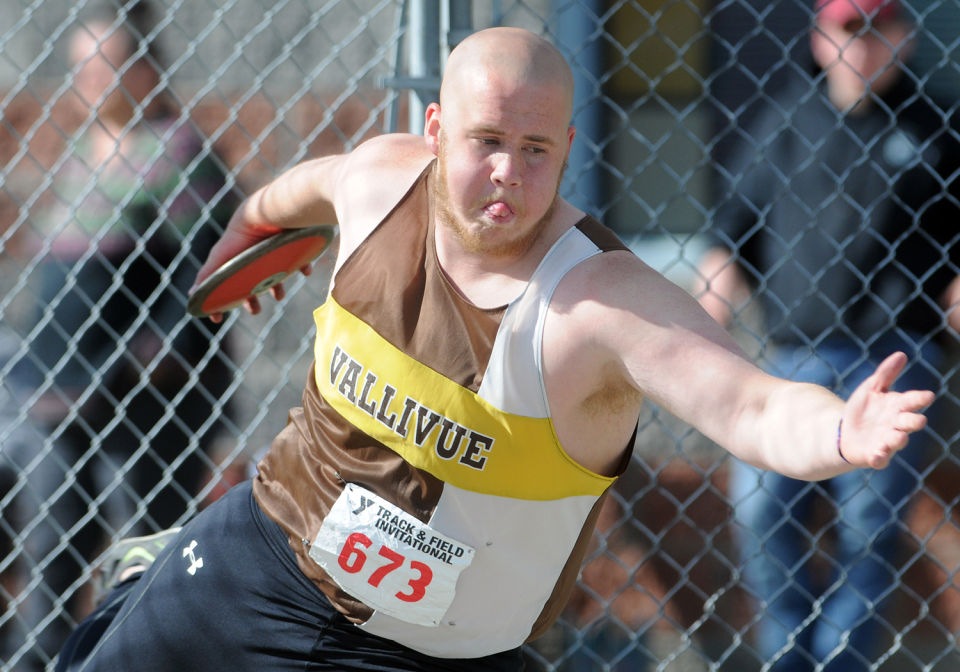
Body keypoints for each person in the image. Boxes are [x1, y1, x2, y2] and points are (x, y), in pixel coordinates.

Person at [57, 25, 934, 672]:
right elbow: (289, 193)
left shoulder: (598, 302)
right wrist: (240, 250)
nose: (508, 174)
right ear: (436, 132)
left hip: (436, 651)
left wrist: (837, 431)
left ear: (569, 151)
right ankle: (153, 582)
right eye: (485, 143)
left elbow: (753, 404)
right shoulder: (379, 180)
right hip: (267, 560)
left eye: (534, 150)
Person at [695, 0, 960, 669]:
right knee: (761, 511)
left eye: (879, 28)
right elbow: (730, 237)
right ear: (821, 39)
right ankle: (789, 655)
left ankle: (840, 661)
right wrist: (701, 323)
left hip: (898, 355)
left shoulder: (936, 131)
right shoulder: (786, 120)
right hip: (794, 360)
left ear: (904, 37)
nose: (865, 44)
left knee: (867, 528)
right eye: (850, 29)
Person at [11, 2, 237, 666]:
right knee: (50, 545)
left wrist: (145, 364)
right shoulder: (85, 153)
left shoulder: (179, 153)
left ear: (146, 70)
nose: (89, 78)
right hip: (62, 394)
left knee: (140, 547)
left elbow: (198, 275)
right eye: (80, 65)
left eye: (106, 63)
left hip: (137, 401)